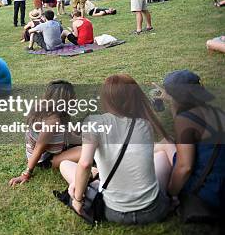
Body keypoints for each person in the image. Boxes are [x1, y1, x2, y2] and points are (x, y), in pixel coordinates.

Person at [58, 74, 171, 225]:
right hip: (153, 211)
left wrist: (78, 199)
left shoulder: (94, 123)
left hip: (114, 212)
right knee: (162, 156)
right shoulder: (146, 124)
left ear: (105, 98)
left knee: (65, 164)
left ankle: (89, 180)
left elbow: (84, 164)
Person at [152, 70, 225, 216]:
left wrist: (171, 193)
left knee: (163, 147)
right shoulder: (216, 112)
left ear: (176, 97)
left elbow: (185, 167)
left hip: (209, 190)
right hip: (220, 180)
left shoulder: (185, 120)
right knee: (167, 142)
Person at [9, 81, 82, 186]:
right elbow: (39, 147)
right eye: (73, 97)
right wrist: (26, 174)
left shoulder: (43, 108)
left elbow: (66, 133)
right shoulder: (53, 120)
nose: (75, 99)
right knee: (87, 151)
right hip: (46, 158)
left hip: (53, 146)